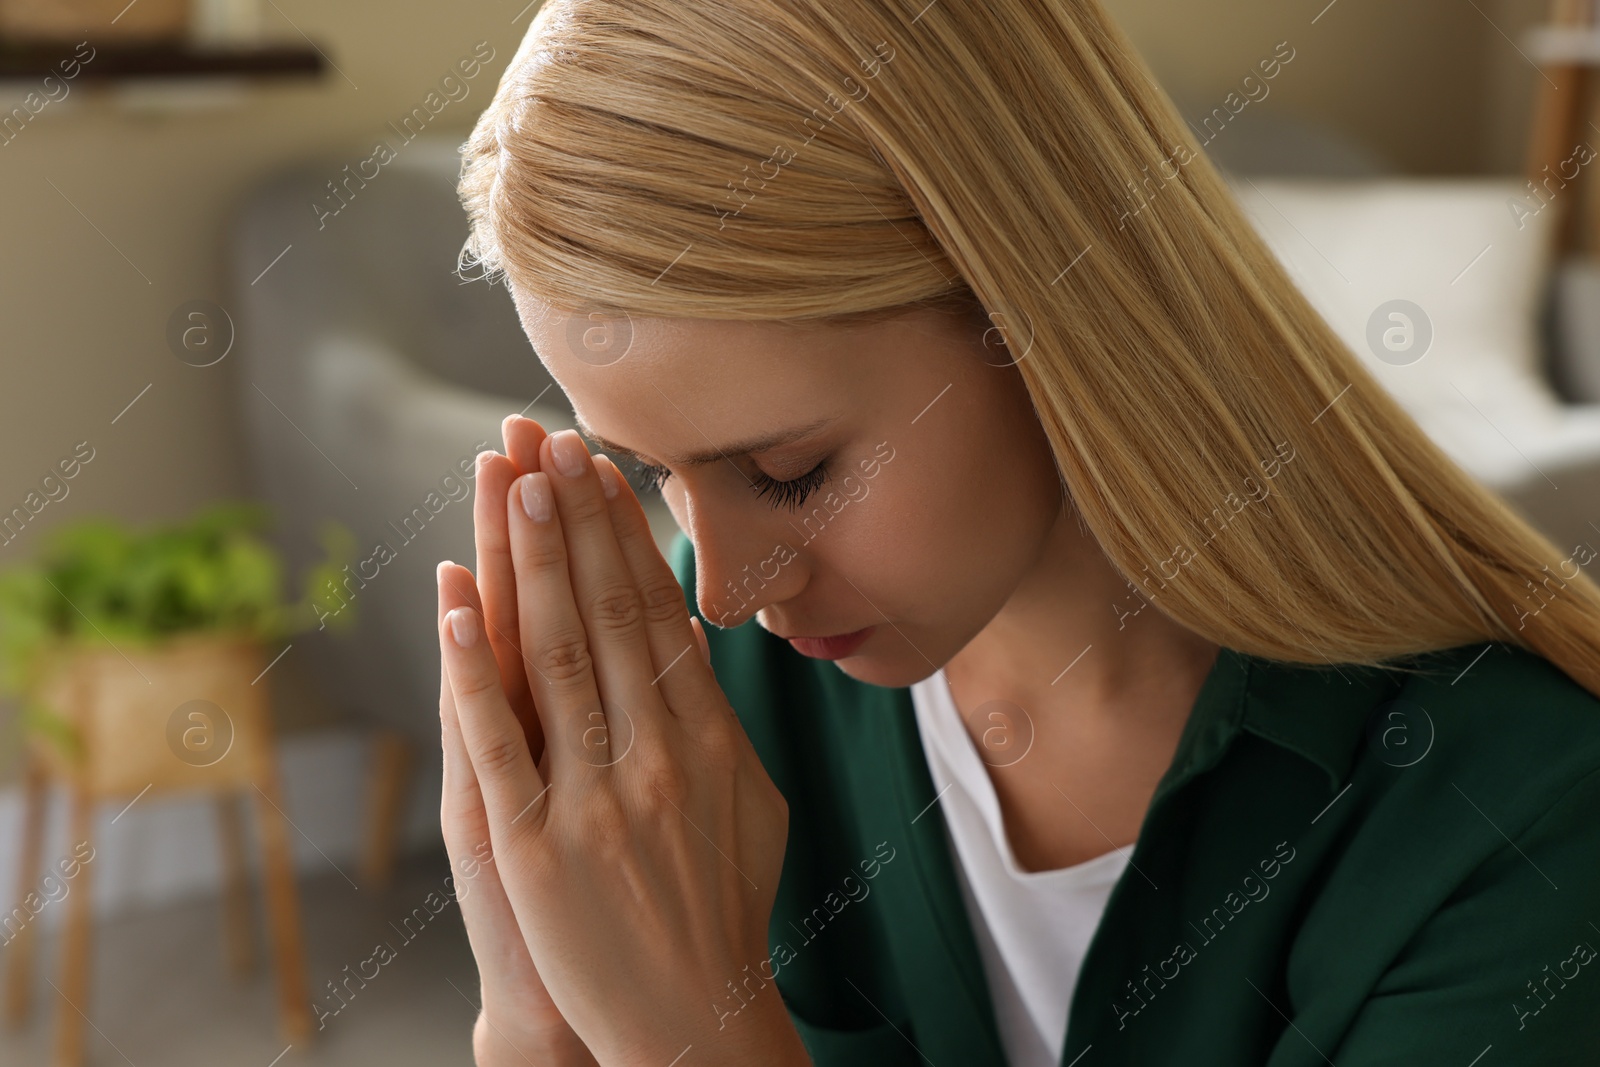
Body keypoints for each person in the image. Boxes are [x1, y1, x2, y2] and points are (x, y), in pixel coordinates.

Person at [433, 1, 1600, 1064]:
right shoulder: (701, 684)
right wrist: (534, 1004)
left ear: (1041, 309)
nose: (725, 589)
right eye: (655, 473)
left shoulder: (1524, 811)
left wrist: (691, 1034)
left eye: (787, 471)